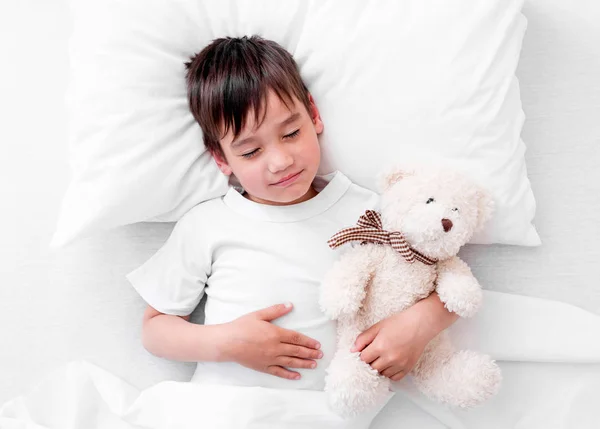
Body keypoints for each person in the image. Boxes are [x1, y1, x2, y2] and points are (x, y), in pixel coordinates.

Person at [126, 35, 459, 391]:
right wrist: (229, 343)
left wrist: (419, 326)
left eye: (291, 133)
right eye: (251, 152)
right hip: (225, 412)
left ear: (313, 113)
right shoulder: (207, 224)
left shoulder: (370, 212)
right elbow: (155, 329)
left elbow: (449, 277)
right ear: (222, 159)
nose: (281, 162)